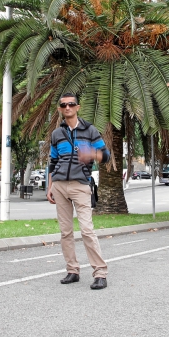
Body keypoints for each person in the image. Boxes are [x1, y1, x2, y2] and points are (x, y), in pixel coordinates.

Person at [47, 92, 110, 290]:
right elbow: (53, 161)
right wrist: (50, 186)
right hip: (59, 186)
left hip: (81, 185)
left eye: (71, 104)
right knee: (65, 232)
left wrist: (92, 153)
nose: (67, 108)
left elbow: (106, 156)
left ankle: (100, 273)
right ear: (60, 109)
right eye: (63, 105)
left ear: (77, 107)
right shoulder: (57, 134)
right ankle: (72, 270)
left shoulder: (90, 130)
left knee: (86, 230)